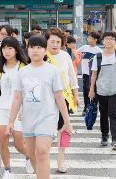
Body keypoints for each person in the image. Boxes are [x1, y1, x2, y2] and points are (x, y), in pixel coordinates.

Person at [7, 35, 72, 179]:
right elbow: (17, 98)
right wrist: (11, 121)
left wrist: (67, 122)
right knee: (32, 154)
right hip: (29, 119)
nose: (35, 50)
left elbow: (60, 97)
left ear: (44, 50)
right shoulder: (22, 72)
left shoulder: (53, 71)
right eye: (32, 47)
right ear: (27, 50)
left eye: (39, 47)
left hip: (47, 117)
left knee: (42, 151)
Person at [0, 37, 33, 178]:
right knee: (3, 142)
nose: (7, 51)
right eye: (4, 48)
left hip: (19, 112)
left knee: (18, 144)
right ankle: (8, 170)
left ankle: (29, 156)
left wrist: (24, 110)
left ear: (16, 50)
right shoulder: (0, 69)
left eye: (10, 48)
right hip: (3, 110)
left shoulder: (24, 67)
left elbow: (29, 91)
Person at [45, 27, 79, 173]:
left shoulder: (65, 56)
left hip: (64, 99)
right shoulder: (41, 55)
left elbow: (72, 76)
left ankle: (61, 160)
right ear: (46, 41)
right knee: (46, 131)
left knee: (64, 128)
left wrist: (75, 94)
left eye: (58, 42)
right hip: (45, 100)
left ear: (62, 43)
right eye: (52, 41)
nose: (54, 44)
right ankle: (43, 159)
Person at [89, 31, 116, 150]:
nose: (109, 41)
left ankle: (115, 140)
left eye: (111, 39)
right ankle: (104, 136)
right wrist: (91, 90)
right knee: (103, 115)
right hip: (101, 91)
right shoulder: (98, 57)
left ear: (115, 41)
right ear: (102, 41)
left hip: (115, 90)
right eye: (106, 39)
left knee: (113, 114)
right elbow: (94, 74)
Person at [77, 32, 102, 115]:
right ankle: (86, 107)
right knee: (86, 90)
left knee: (94, 90)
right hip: (85, 73)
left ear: (95, 39)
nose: (88, 40)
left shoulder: (98, 51)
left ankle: (94, 106)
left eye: (90, 38)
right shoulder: (84, 47)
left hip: (94, 74)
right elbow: (76, 53)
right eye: (88, 38)